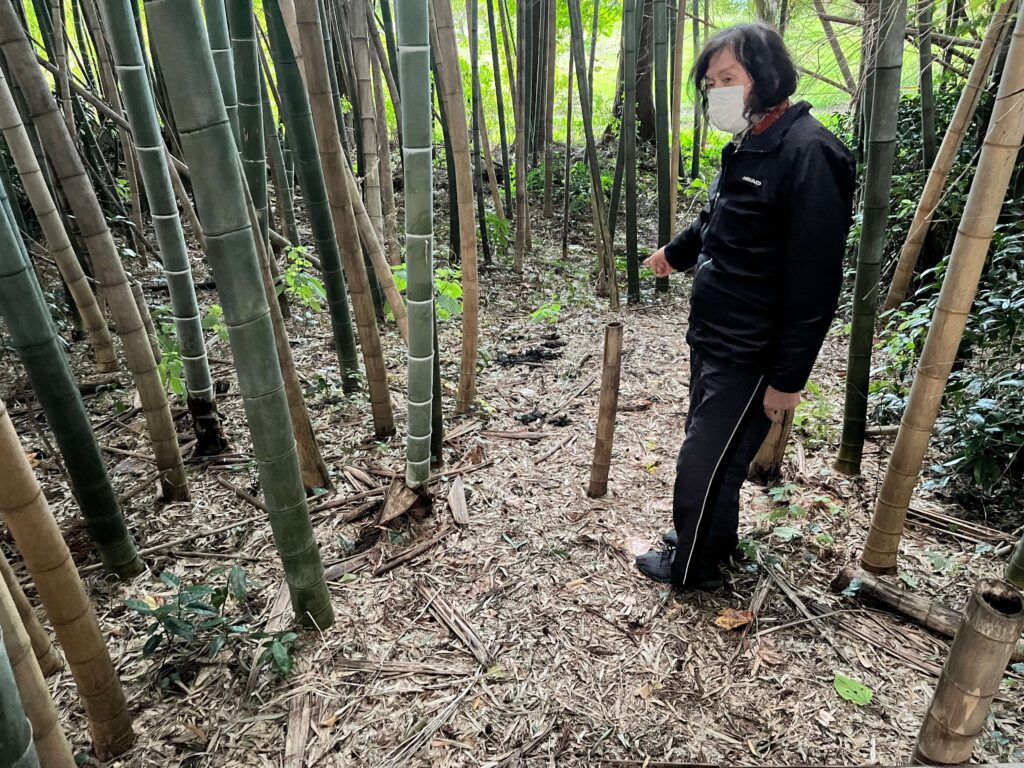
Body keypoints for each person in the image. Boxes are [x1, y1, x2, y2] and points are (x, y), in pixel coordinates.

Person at [635, 22, 855, 590]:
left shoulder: (810, 154)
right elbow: (718, 222)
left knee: (703, 459)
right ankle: (710, 539)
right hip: (716, 332)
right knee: (715, 451)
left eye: (728, 78)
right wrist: (674, 255)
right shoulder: (750, 142)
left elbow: (815, 281)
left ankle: (692, 566)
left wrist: (789, 377)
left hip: (753, 347)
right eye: (712, 82)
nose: (718, 92)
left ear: (767, 76)